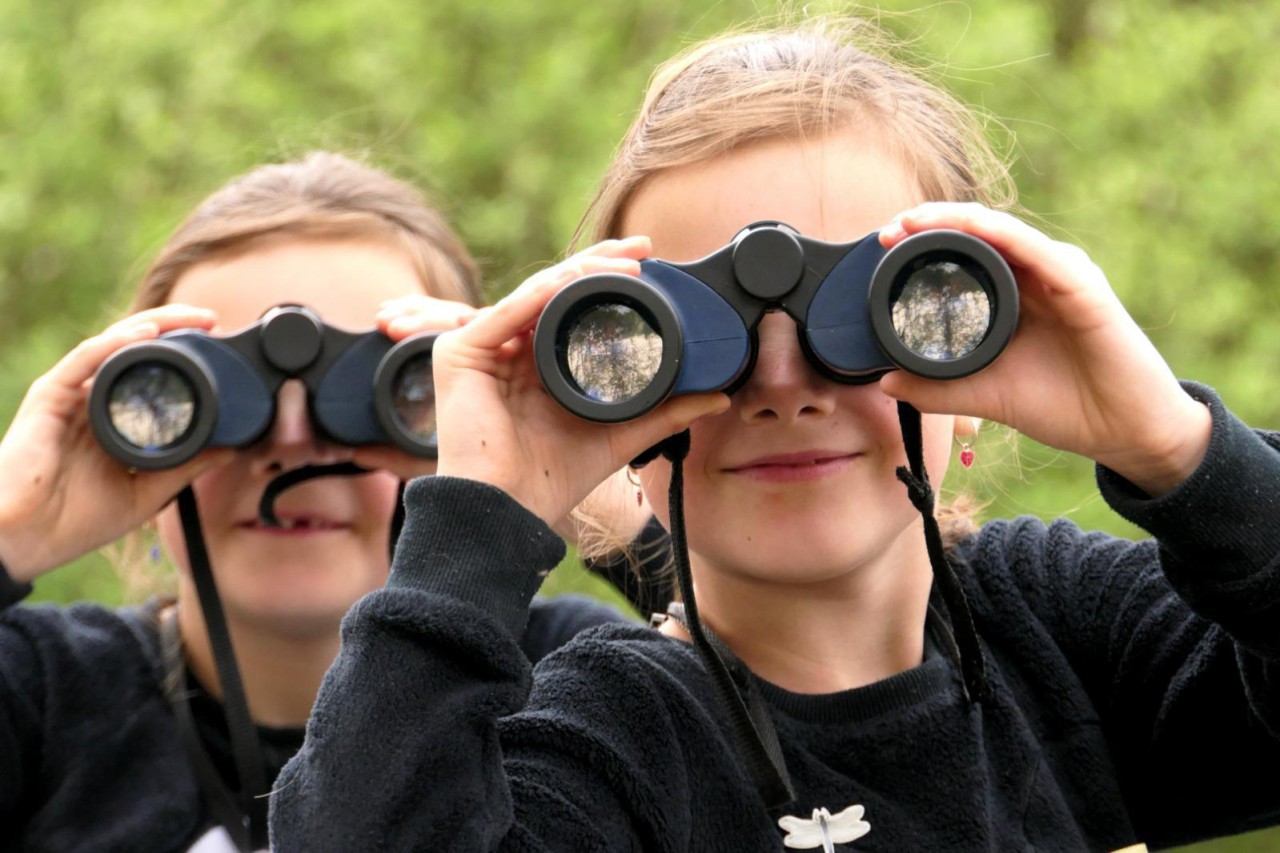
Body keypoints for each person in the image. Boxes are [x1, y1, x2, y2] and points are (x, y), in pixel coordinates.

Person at [268, 19, 1280, 852]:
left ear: (973, 361)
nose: (784, 384)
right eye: (696, 341)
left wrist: (1172, 443)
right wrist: (479, 521)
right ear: (608, 397)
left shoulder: (1056, 631)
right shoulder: (613, 740)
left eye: (871, 318)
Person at [0, 151, 629, 853]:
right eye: (217, 397)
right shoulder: (44, 694)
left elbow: (759, 716)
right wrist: (11, 528)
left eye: (394, 391)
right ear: (125, 425)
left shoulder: (569, 679)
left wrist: (556, 474)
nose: (294, 441)